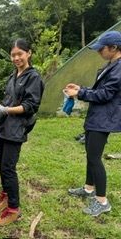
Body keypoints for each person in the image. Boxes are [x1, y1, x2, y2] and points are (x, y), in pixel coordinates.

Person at [0, 39, 44, 226]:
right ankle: (5, 195)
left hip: (16, 129)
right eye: (13, 55)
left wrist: (5, 110)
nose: (16, 58)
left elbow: (30, 106)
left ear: (29, 53)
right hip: (3, 127)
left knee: (8, 168)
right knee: (0, 164)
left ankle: (13, 209)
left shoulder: (33, 77)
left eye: (20, 53)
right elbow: (8, 101)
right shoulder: (13, 76)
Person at [65, 30, 121, 217]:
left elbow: (105, 95)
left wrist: (80, 94)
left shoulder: (119, 68)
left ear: (114, 48)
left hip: (104, 119)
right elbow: (100, 89)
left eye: (102, 49)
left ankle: (102, 201)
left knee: (95, 159)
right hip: (96, 117)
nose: (99, 52)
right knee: (90, 155)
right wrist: (81, 89)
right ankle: (89, 188)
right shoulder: (110, 65)